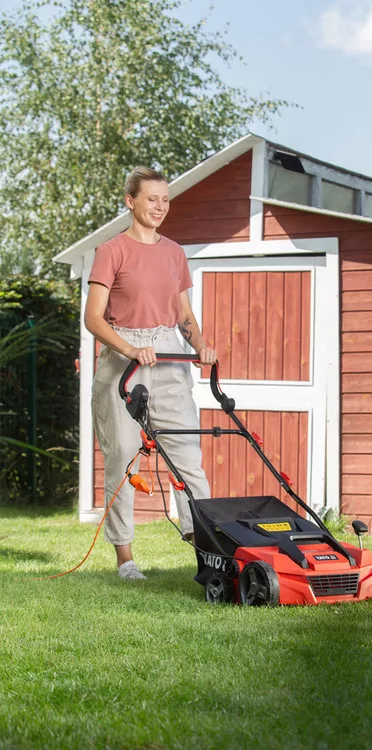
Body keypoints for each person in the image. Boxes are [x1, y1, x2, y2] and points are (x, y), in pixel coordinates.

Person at [84, 166, 216, 580]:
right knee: (124, 460)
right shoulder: (111, 251)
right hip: (123, 360)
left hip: (169, 355)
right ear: (131, 201)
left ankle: (208, 552)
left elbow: (183, 313)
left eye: (165, 200)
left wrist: (199, 343)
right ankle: (125, 559)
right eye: (151, 199)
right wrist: (129, 349)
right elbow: (93, 318)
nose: (160, 207)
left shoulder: (174, 253)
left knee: (188, 458)